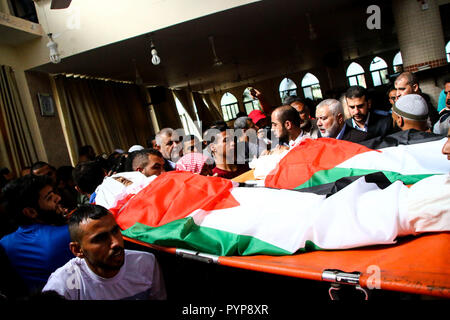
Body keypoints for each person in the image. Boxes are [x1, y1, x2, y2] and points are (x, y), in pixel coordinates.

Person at [42, 204, 166, 300]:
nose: (116, 243)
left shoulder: (145, 263)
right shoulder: (64, 285)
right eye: (100, 238)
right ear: (77, 250)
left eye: (115, 231)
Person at [0, 175, 73, 294]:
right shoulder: (67, 234)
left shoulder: (4, 243)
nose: (58, 198)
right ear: (31, 212)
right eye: (50, 198)